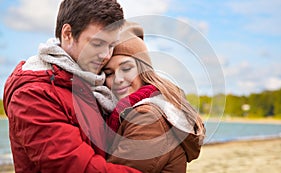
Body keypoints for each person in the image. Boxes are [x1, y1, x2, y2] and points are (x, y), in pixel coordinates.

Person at [3, 0, 141, 172]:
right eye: (97, 44)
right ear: (68, 34)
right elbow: (78, 167)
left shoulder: (93, 83)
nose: (106, 55)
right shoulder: (32, 95)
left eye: (111, 46)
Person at [103, 22, 206, 173]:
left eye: (126, 68)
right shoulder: (152, 106)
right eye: (109, 73)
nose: (118, 79)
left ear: (143, 69)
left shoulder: (147, 118)